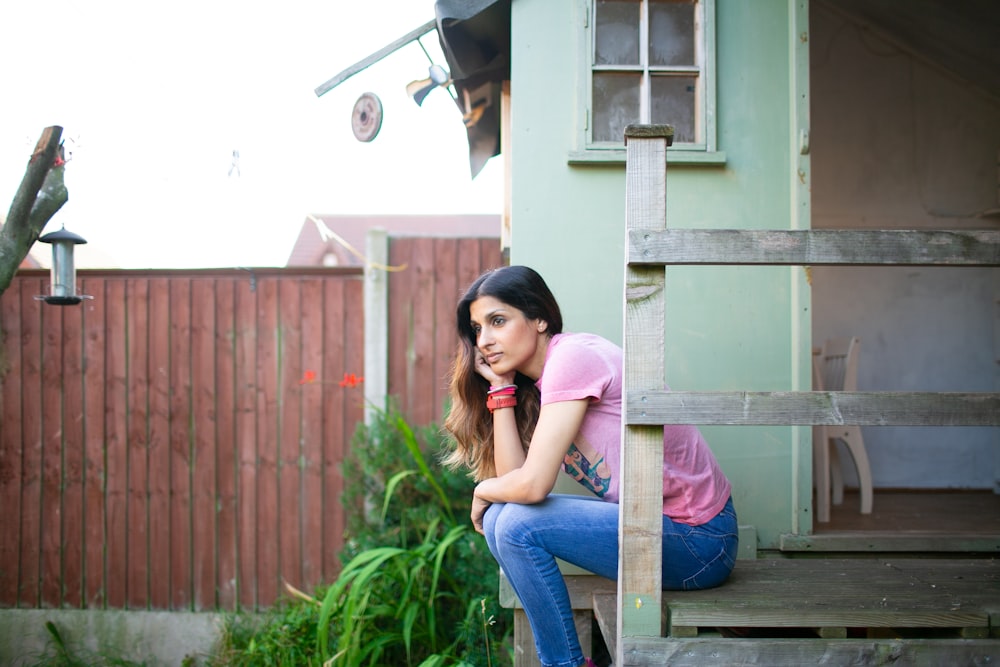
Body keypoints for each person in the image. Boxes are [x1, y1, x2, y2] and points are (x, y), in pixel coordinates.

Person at [444, 266, 738, 667]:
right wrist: (501, 389)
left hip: (700, 541)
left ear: (540, 317)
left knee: (512, 523)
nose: (485, 341)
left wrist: (480, 491)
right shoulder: (546, 381)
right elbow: (513, 482)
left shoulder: (573, 358)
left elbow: (530, 488)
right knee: (502, 519)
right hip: (658, 531)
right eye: (477, 328)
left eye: (498, 321)